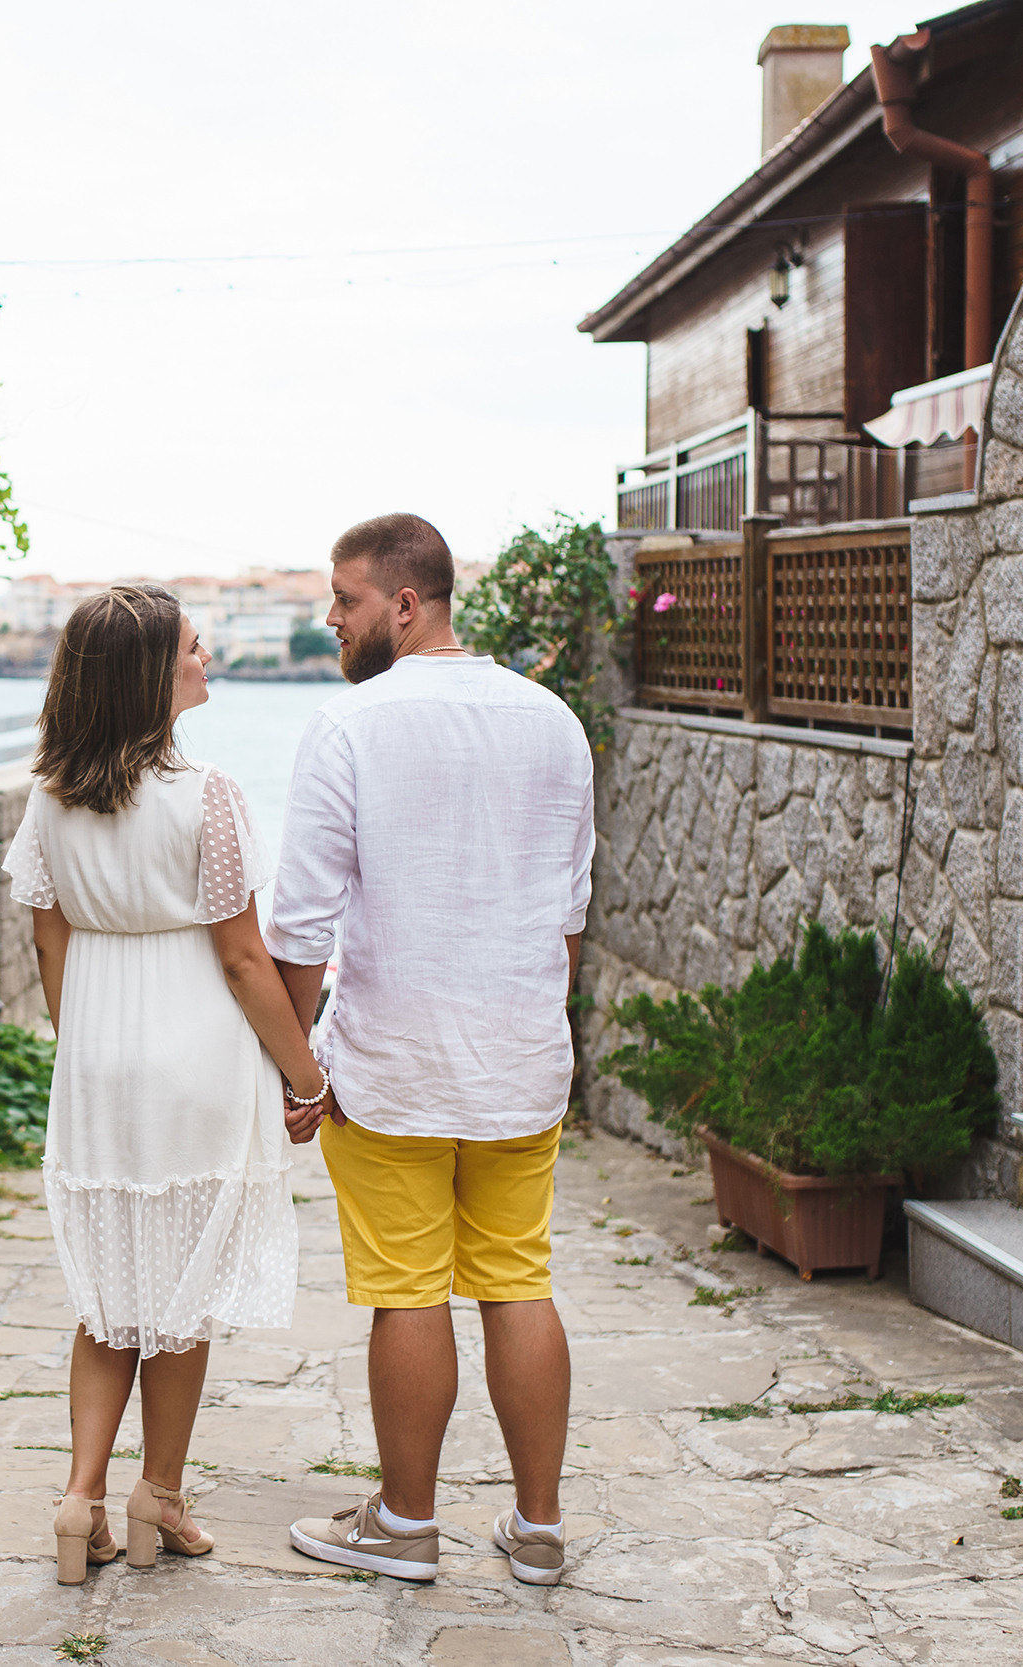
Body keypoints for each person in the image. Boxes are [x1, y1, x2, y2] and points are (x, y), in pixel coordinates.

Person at [267, 513, 594, 1587]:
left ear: (404, 603)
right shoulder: (552, 720)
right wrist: (536, 1030)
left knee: (406, 1288)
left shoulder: (350, 726)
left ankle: (405, 1522)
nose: (330, 619)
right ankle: (538, 1526)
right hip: (518, 1056)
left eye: (343, 598)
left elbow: (302, 926)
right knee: (517, 1278)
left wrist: (294, 1069)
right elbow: (568, 917)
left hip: (390, 1060)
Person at [2, 584, 328, 1586]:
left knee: (108, 1299)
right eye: (193, 645)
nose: (208, 653)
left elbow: (47, 934)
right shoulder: (207, 792)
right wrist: (305, 1075)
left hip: (98, 1057)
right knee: (177, 1303)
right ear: (152, 673)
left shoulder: (48, 790)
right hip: (194, 1055)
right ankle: (160, 1498)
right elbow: (241, 957)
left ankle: (78, 1498)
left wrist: (85, 1043)